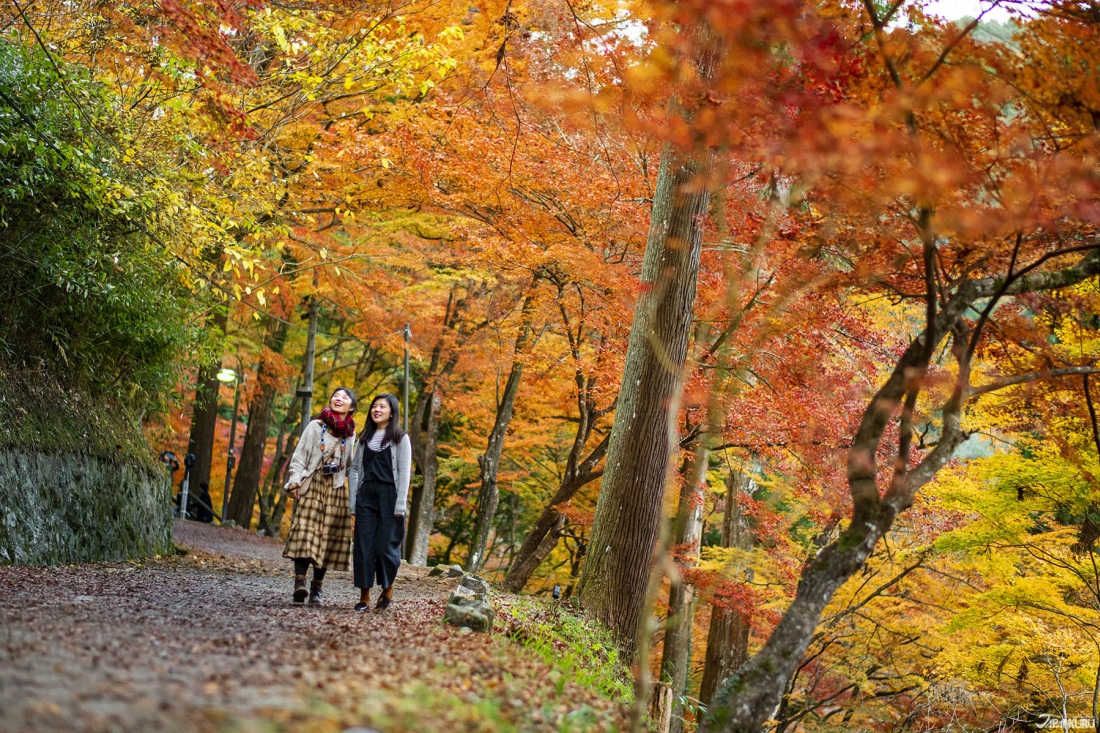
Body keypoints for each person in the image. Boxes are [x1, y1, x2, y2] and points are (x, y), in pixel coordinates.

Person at [282, 387, 358, 605]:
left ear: (351, 407)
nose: (338, 398)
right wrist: (295, 481)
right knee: (305, 534)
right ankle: (300, 584)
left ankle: (317, 590)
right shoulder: (316, 426)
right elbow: (299, 456)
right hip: (313, 484)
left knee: (327, 539)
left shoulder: (351, 435)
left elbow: (351, 467)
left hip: (336, 489)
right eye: (335, 395)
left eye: (344, 397)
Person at [348, 393, 412, 611]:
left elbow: (404, 472)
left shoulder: (401, 438)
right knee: (364, 545)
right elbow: (355, 469)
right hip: (366, 495)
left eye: (382, 407)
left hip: (390, 497)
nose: (376, 410)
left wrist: (400, 505)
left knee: (386, 547)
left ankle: (387, 588)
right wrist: (353, 502)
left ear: (391, 411)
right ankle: (364, 596)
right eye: (374, 406)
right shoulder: (365, 438)